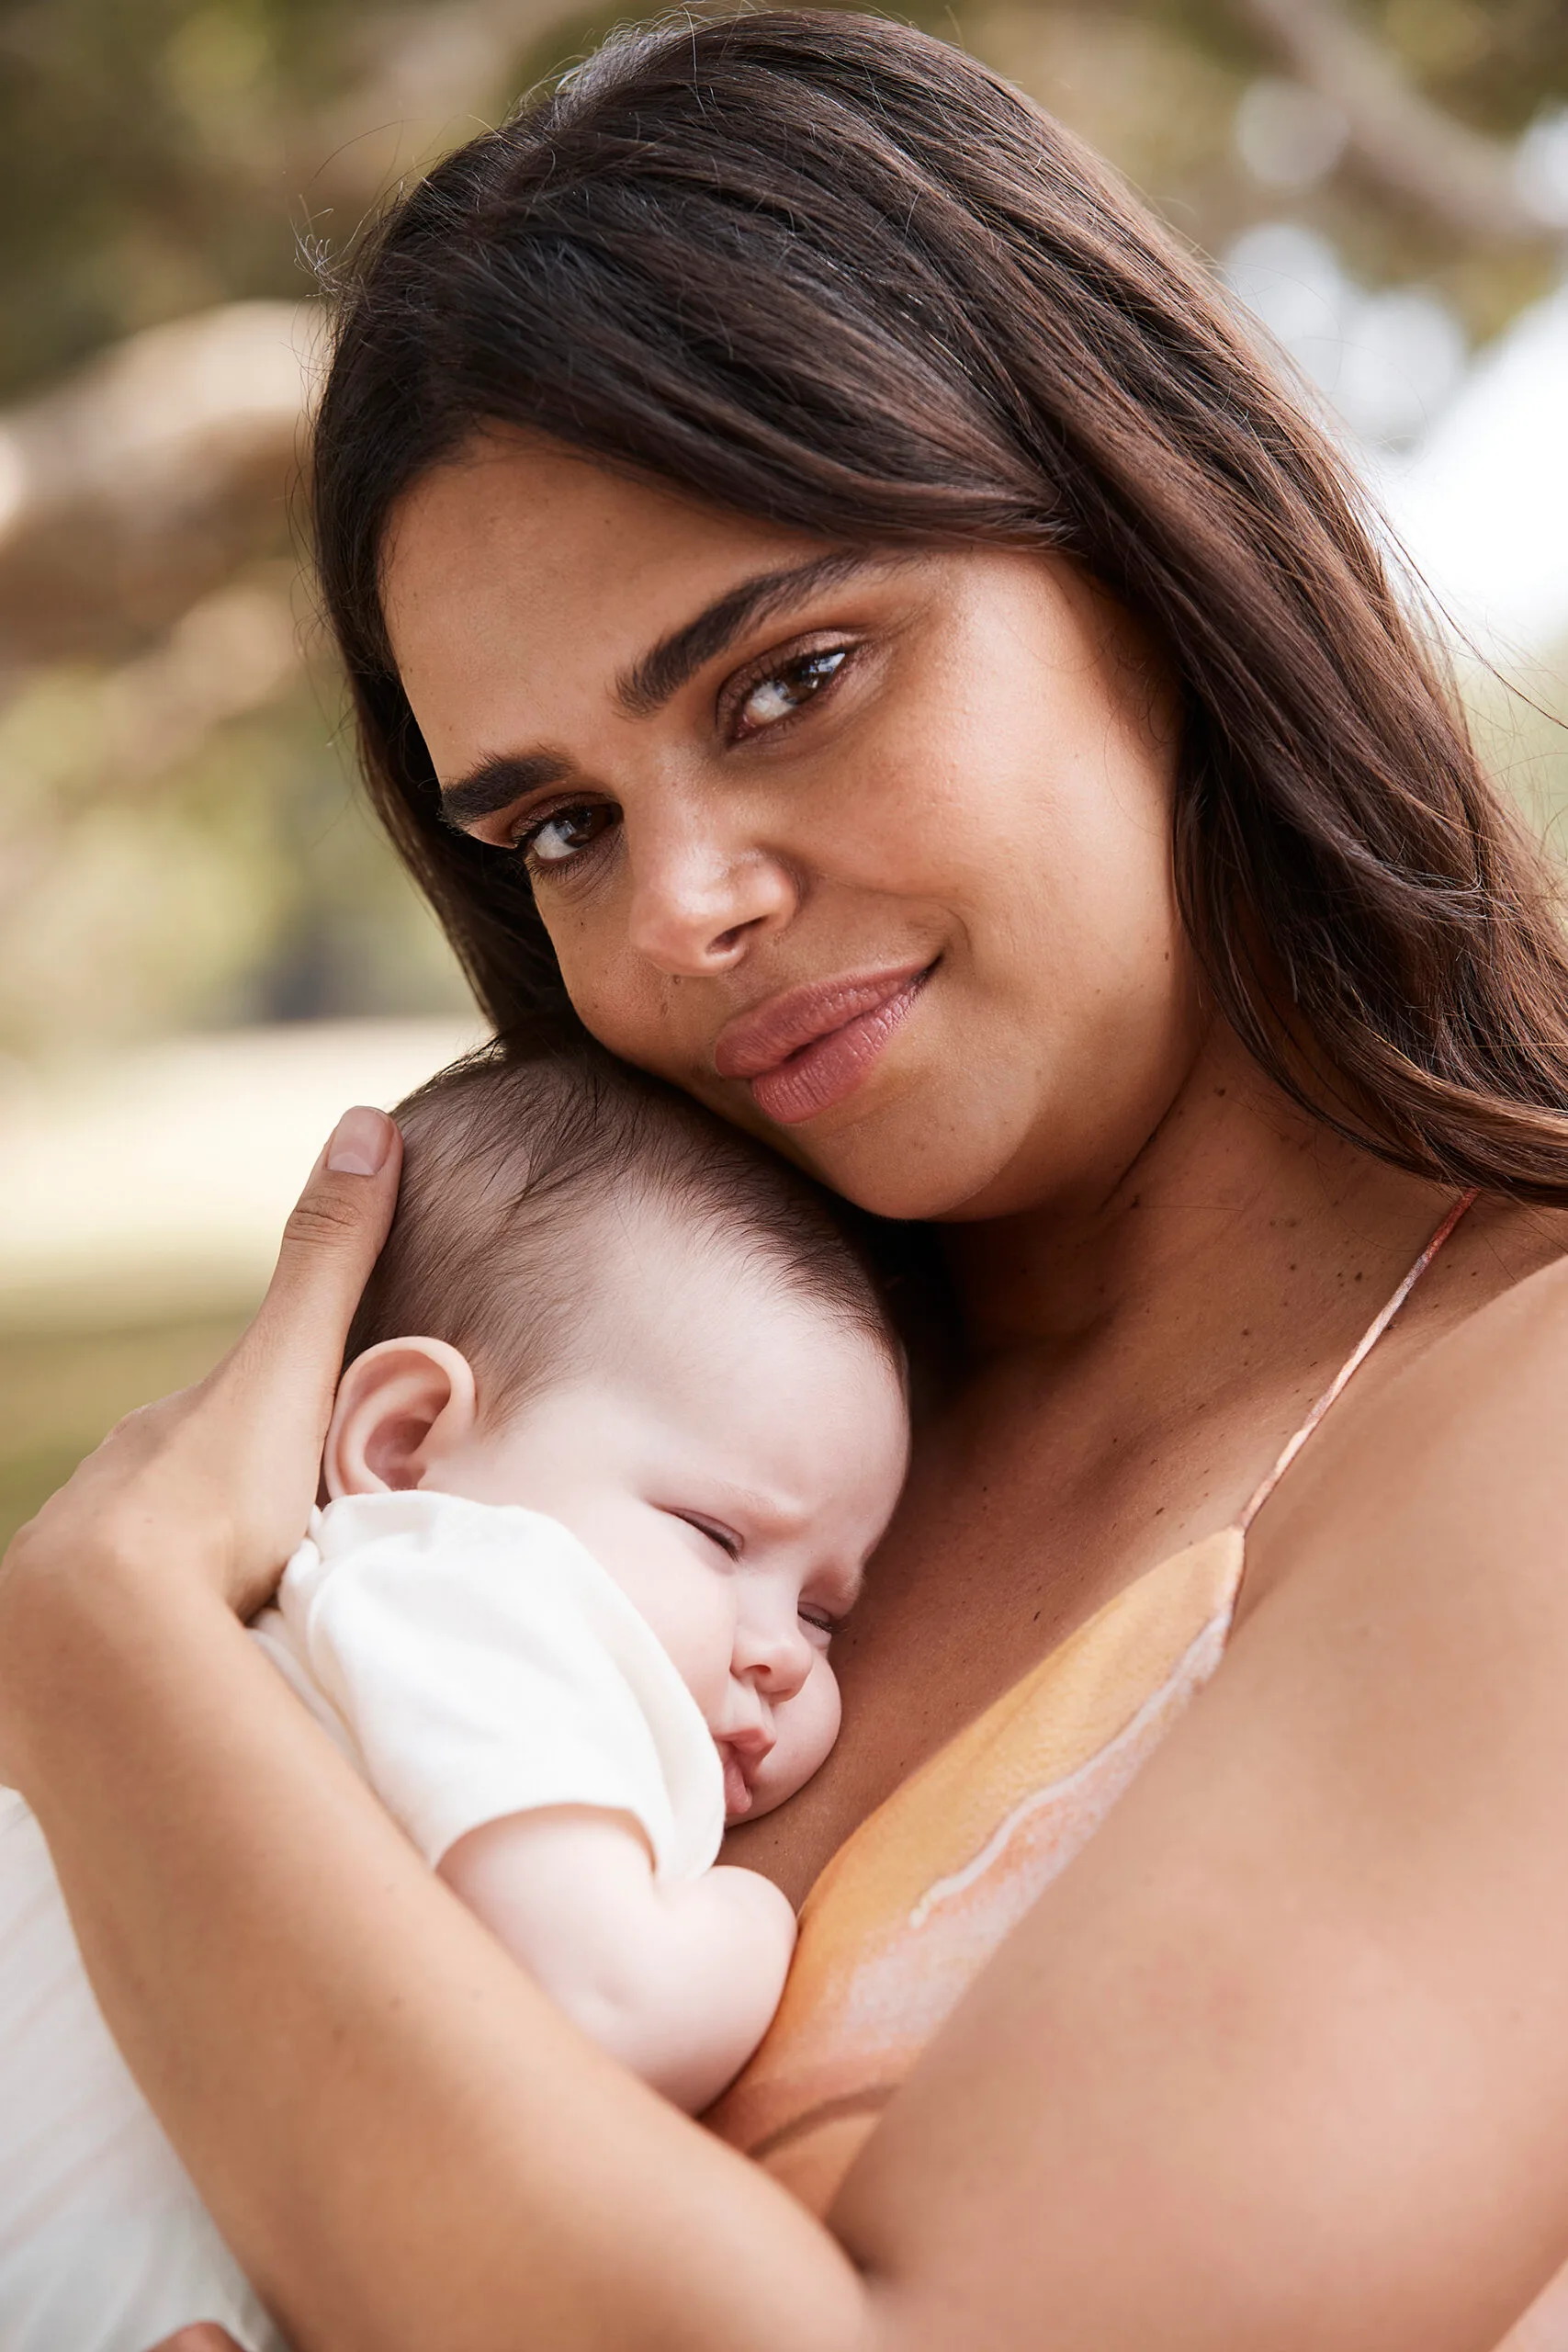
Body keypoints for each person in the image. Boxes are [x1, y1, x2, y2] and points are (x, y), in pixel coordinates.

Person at [5, 12, 1568, 2347]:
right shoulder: (641, 1404)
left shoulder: (1515, 1421)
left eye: (784, 678)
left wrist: (102, 1650)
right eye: (557, 823)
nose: (674, 916)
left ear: (1153, 549)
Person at [0, 1040, 908, 2351]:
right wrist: (755, 1908)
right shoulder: (469, 1589)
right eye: (717, 1538)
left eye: (826, 1610)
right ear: (407, 1444)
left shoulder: (343, 1633)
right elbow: (606, 2009)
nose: (781, 1651)